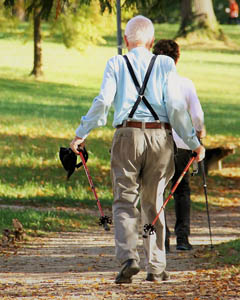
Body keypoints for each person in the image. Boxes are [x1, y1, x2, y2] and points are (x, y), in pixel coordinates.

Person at [70, 16, 205, 284]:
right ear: (152, 41)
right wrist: (193, 143)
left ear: (126, 40)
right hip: (159, 137)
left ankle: (129, 258)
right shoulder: (165, 64)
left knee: (124, 200)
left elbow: (103, 101)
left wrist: (80, 134)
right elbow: (177, 109)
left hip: (126, 135)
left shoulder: (116, 63)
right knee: (154, 202)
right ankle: (156, 266)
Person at [153, 39, 206, 251]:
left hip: (158, 142)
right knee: (182, 189)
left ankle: (162, 240)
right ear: (177, 58)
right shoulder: (185, 83)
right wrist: (199, 134)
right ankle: (182, 239)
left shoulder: (153, 85)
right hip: (183, 143)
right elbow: (197, 115)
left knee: (159, 189)